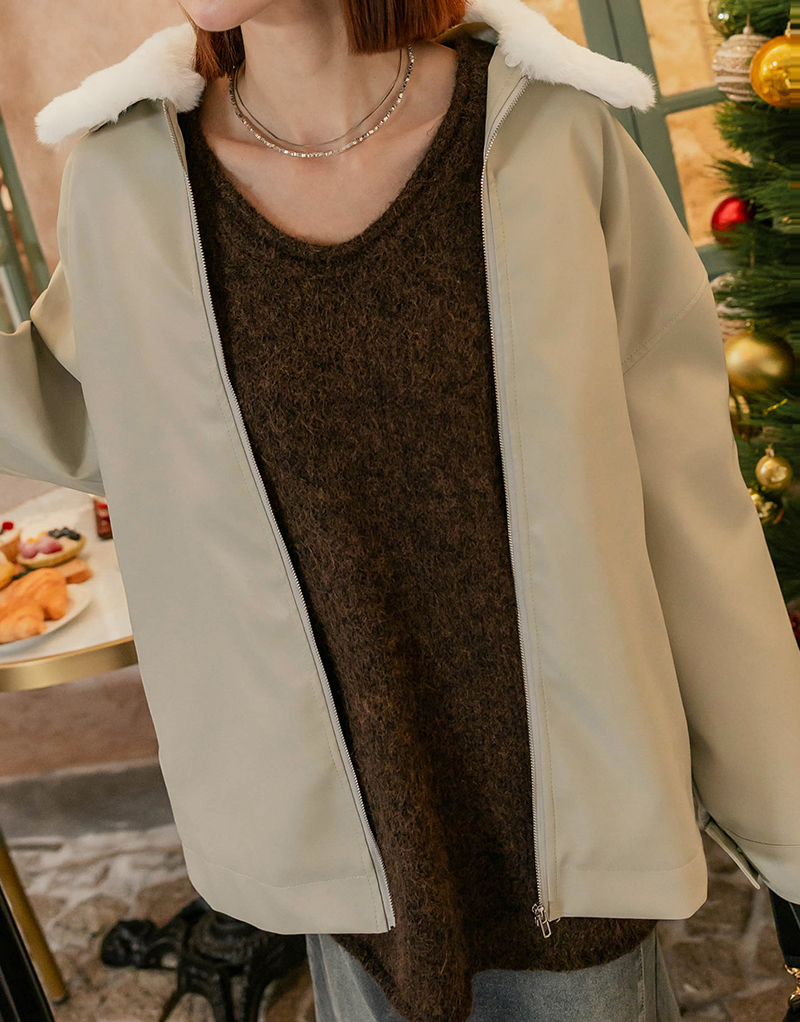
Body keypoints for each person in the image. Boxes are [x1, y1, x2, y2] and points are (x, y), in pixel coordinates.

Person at [10, 1, 800, 1020]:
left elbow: (688, 509)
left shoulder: (550, 137)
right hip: (352, 848)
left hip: (576, 832)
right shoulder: (131, 183)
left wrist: (784, 818)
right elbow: (81, 412)